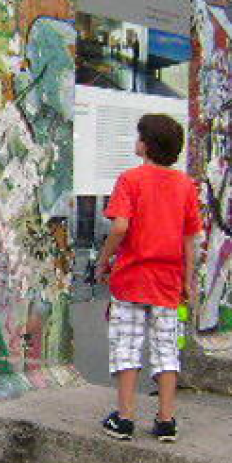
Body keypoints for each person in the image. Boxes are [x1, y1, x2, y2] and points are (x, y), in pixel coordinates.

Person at [94, 114, 202, 442]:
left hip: (132, 278)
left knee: (127, 346)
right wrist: (188, 279)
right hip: (168, 280)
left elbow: (120, 227)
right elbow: (189, 239)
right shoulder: (185, 185)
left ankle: (124, 418)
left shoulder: (130, 180)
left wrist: (103, 260)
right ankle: (166, 420)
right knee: (166, 348)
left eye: (138, 135)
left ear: (146, 144)